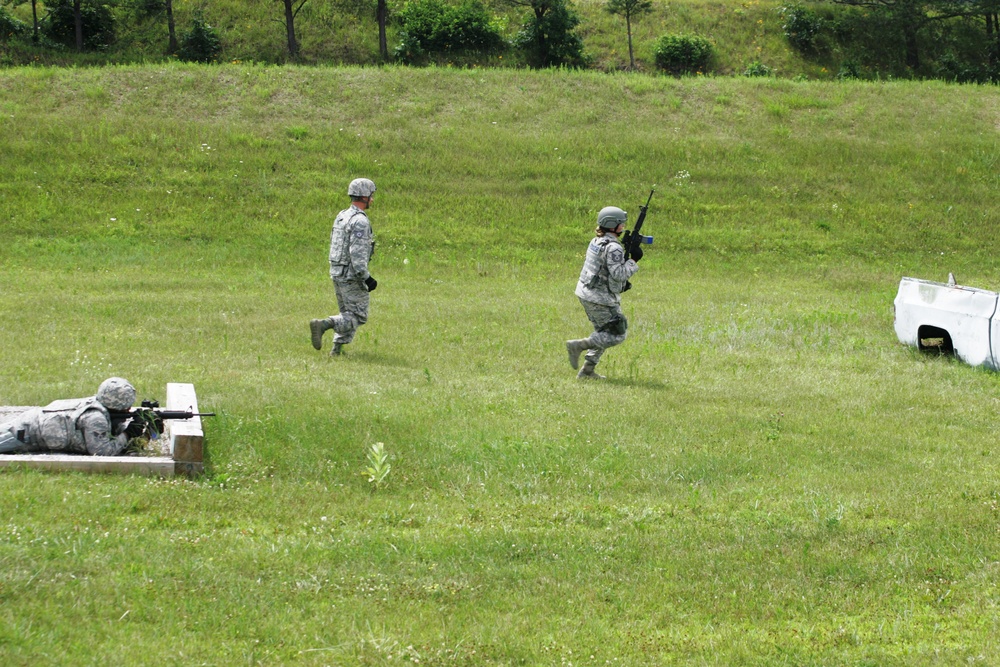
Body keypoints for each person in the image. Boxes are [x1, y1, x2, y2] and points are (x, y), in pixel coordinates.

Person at [565, 206, 641, 379]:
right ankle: (578, 346)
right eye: (620, 223)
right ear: (612, 224)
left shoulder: (596, 241)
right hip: (600, 299)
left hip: (586, 293)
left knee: (603, 333)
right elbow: (619, 273)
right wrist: (633, 260)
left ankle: (587, 372)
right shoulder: (613, 247)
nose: (623, 226)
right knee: (617, 334)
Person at [310, 178, 379, 356]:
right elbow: (357, 254)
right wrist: (366, 277)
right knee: (357, 316)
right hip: (351, 275)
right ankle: (324, 324)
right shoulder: (360, 222)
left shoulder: (342, 216)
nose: (372, 199)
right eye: (371, 196)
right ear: (364, 197)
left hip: (337, 272)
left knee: (346, 314)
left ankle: (336, 351)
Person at [0, 377, 138, 456]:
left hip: (29, 422)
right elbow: (102, 452)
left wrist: (143, 433)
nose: (129, 409)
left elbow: (111, 437)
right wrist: (128, 434)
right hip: (24, 433)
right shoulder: (95, 417)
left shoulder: (99, 406)